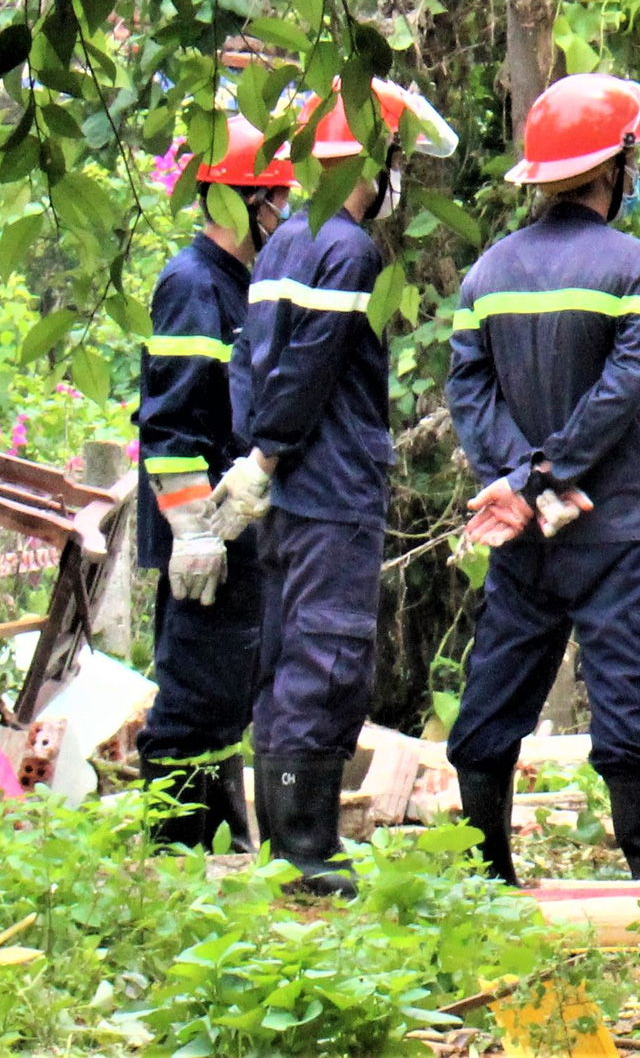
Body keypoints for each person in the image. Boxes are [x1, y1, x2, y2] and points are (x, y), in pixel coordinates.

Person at [211, 78, 458, 895]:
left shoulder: (282, 243)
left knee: (285, 659)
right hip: (327, 489)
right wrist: (272, 455)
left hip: (286, 494)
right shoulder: (347, 248)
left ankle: (289, 847)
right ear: (372, 155)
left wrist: (257, 460)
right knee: (328, 657)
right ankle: (309, 855)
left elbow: (257, 364)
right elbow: (310, 369)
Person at [443, 74, 640, 884]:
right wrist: (553, 473)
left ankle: (486, 877)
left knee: (496, 691)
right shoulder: (638, 267)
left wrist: (521, 482)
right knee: (633, 701)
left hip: (527, 530)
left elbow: (468, 393)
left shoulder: (485, 274)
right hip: (615, 523)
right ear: (616, 166)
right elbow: (622, 390)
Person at [134, 116, 297, 851]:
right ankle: (172, 860)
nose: (284, 215)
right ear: (242, 200)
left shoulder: (242, 283)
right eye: (276, 201)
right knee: (193, 704)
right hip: (205, 538)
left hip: (233, 528)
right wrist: (193, 530)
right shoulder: (193, 283)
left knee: (225, 697)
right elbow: (170, 420)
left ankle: (211, 848)